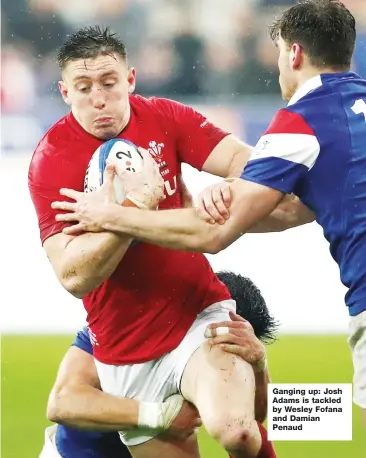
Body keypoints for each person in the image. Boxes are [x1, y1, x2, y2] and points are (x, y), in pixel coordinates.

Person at [53, 0, 366, 432]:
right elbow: (293, 205)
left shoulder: (301, 121)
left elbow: (215, 232)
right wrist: (216, 199)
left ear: (292, 54)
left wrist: (115, 214)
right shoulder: (51, 158)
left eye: (278, 53)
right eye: (86, 86)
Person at [29, 26, 279, 458]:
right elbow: (73, 277)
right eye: (84, 87)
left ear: (130, 79)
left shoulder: (164, 116)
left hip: (195, 313)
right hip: (126, 352)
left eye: (109, 83)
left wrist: (228, 188)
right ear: (65, 92)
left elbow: (250, 164)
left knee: (238, 433)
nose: (99, 98)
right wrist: (136, 211)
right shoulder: (51, 160)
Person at [40, 272, 277, 458]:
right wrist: (160, 416)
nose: (231, 365)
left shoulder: (224, 361)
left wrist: (258, 364)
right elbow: (62, 403)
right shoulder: (118, 332)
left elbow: (252, 422)